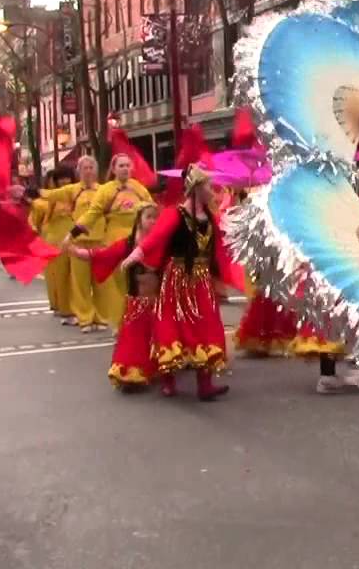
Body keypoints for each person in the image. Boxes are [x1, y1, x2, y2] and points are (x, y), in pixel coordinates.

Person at [121, 165, 239, 400]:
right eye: (207, 185)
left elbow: (225, 240)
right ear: (195, 188)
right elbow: (157, 237)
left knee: (207, 326)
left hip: (201, 279)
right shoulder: (176, 214)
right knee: (171, 326)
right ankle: (168, 381)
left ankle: (205, 385)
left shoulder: (210, 217)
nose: (211, 189)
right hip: (177, 279)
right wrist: (137, 254)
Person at [69, 203, 160, 390]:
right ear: (139, 221)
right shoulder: (128, 244)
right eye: (149, 217)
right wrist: (77, 252)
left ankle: (158, 369)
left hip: (159, 300)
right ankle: (131, 373)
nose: (153, 221)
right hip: (137, 300)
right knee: (134, 336)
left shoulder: (162, 242)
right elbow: (104, 255)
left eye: (155, 217)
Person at [70, 153, 153, 329]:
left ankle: (140, 322)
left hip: (137, 242)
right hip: (115, 242)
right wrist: (73, 233)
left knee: (140, 283)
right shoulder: (106, 190)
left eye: (127, 165)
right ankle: (121, 324)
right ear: (113, 169)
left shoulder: (139, 188)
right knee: (120, 286)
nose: (125, 169)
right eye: (121, 166)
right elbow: (92, 214)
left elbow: (152, 211)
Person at [35, 156, 106, 332]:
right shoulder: (72, 190)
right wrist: (31, 192)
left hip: (99, 241)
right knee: (79, 283)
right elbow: (49, 194)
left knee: (100, 283)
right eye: (85, 168)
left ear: (96, 171)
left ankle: (100, 317)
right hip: (77, 242)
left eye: (91, 168)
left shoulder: (104, 190)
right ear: (79, 171)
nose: (88, 171)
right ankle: (85, 318)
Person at [30, 168, 77, 321]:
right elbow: (35, 222)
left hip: (75, 240)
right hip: (54, 241)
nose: (65, 181)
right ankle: (62, 307)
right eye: (61, 178)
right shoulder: (46, 201)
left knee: (76, 277)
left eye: (67, 178)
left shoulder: (77, 196)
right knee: (57, 277)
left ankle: (78, 307)